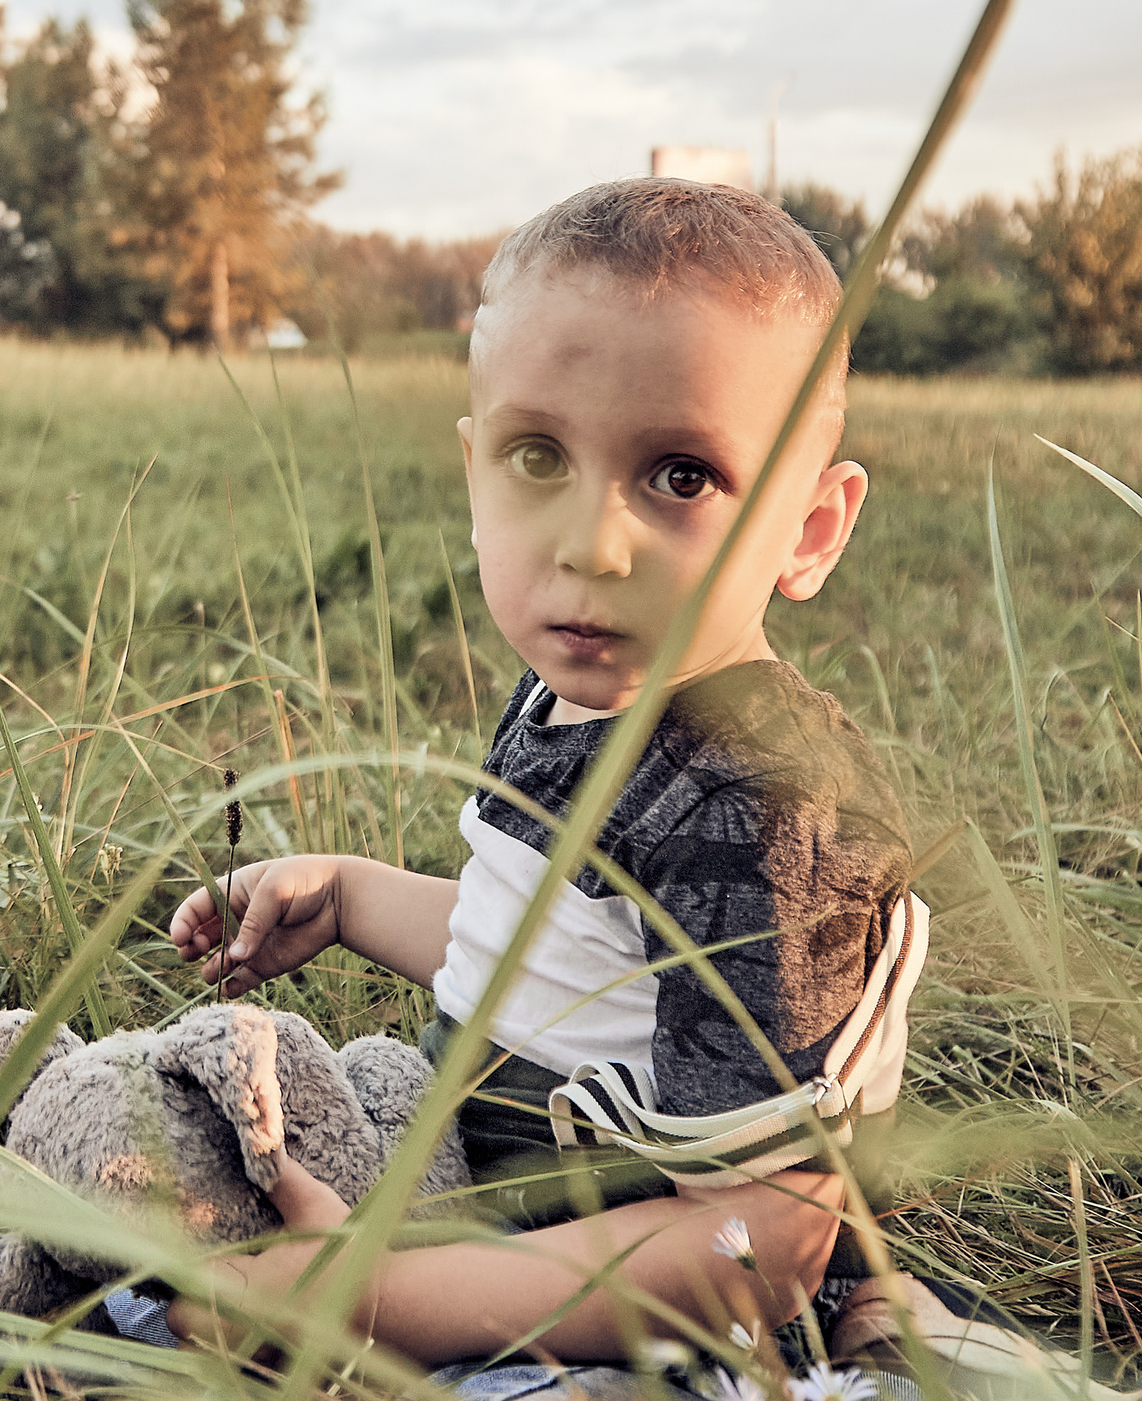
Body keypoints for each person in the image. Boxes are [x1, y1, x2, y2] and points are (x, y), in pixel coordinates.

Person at [166, 177, 924, 1373]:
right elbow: (563, 964)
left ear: (808, 532)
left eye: (680, 474)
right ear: (474, 473)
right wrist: (355, 896)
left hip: (643, 1318)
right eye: (536, 456)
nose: (591, 542)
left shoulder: (756, 814)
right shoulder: (584, 685)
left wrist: (364, 1297)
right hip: (499, 1211)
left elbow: (763, 1243)